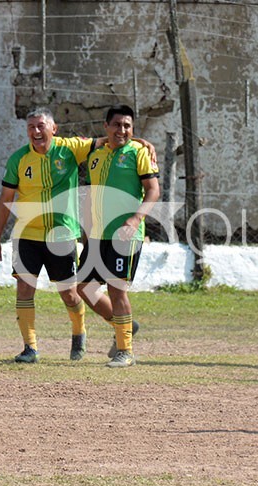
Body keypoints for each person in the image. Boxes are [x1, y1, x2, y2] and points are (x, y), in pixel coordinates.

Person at [0, 107, 93, 363]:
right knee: (24, 288)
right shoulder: (18, 160)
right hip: (27, 235)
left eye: (41, 126)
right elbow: (5, 200)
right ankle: (30, 348)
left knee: (68, 293)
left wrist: (142, 142)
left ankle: (79, 331)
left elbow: (108, 140)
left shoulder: (69, 149)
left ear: (53, 128)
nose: (36, 131)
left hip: (62, 235)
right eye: (31, 127)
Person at [77, 105, 160, 368]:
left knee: (116, 288)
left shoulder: (139, 152)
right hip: (96, 234)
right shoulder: (95, 154)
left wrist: (136, 220)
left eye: (127, 126)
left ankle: (125, 351)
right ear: (106, 126)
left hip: (125, 234)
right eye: (117, 124)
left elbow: (153, 191)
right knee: (83, 288)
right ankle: (123, 325)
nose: (122, 130)